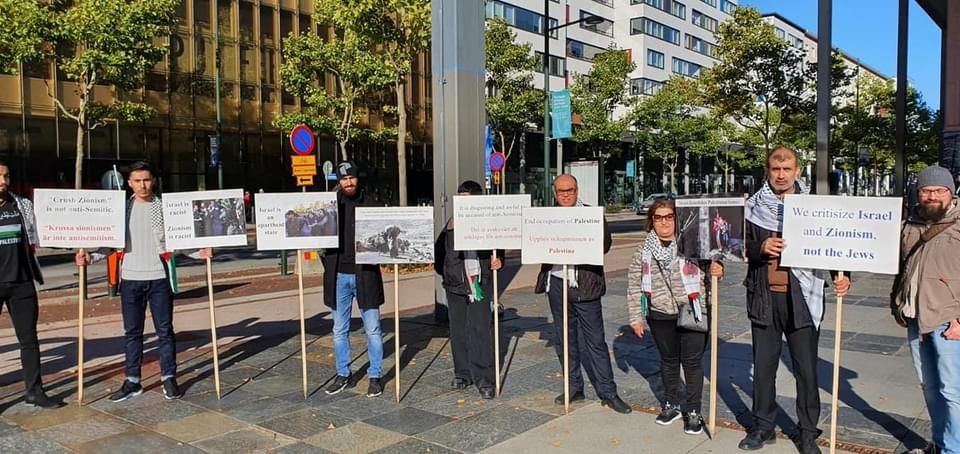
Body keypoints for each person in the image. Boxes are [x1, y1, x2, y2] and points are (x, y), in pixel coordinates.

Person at [739, 147, 850, 454]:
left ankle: (807, 432)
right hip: (764, 296)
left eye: (787, 168)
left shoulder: (814, 207)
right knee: (763, 367)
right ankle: (763, 426)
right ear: (768, 170)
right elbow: (738, 244)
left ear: (798, 170)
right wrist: (761, 246)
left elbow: (834, 242)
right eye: (776, 168)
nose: (781, 174)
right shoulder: (751, 209)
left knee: (806, 369)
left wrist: (843, 274)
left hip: (804, 297)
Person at [76, 161, 211, 401]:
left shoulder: (165, 209)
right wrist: (91, 257)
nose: (142, 185)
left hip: (159, 278)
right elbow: (110, 244)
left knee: (165, 332)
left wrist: (199, 253)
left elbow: (177, 240)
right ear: (129, 183)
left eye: (146, 180)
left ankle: (169, 377)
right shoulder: (121, 210)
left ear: (153, 181)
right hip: (130, 280)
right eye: (137, 181)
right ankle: (133, 381)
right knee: (132, 333)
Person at [534, 174, 631, 414]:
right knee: (565, 339)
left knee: (595, 340)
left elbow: (605, 245)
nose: (565, 195)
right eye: (560, 191)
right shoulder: (546, 217)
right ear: (554, 193)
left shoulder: (592, 215)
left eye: (570, 190)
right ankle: (574, 387)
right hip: (557, 283)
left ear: (577, 190)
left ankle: (608, 391)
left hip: (585, 284)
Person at [627, 199, 723, 435]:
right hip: (660, 312)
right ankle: (671, 403)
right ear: (651, 222)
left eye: (668, 216)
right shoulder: (643, 250)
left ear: (676, 219)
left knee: (691, 363)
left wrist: (718, 270)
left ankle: (693, 411)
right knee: (668, 361)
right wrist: (635, 317)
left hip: (692, 309)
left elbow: (712, 274)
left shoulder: (692, 244)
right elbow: (633, 284)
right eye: (658, 217)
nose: (664, 222)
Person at [891, 165, 960, 454]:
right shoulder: (910, 223)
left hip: (948, 320)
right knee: (930, 387)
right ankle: (941, 442)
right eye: (926, 190)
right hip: (917, 317)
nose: (932, 195)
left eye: (938, 190)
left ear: (950, 192)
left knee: (952, 391)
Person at [0, 161, 64, 408]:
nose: (3, 181)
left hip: (22, 283)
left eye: (6, 176)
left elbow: (46, 231)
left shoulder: (22, 206)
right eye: (0, 176)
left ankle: (34, 391)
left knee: (29, 340)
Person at [322, 160, 386, 397]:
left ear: (358, 179)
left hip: (365, 275)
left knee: (373, 329)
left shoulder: (371, 205)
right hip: (338, 275)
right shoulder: (329, 207)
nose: (348, 182)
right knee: (339, 329)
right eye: (344, 179)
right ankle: (343, 374)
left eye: (352, 178)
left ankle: (375, 375)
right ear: (338, 181)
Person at [434, 180, 502, 400]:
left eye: (468, 200)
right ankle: (462, 373)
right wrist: (448, 273)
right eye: (460, 200)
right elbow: (438, 254)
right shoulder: (450, 227)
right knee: (458, 331)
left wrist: (498, 260)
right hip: (456, 286)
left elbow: (498, 251)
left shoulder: (489, 224)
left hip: (480, 284)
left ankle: (484, 378)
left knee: (480, 330)